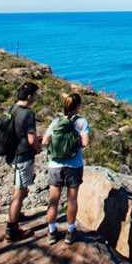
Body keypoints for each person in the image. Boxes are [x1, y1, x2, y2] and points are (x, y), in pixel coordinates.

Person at [42, 92, 91, 245]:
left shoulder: (56, 121)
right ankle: (70, 232)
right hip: (74, 165)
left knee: (53, 200)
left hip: (55, 165)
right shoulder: (82, 122)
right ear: (78, 106)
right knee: (72, 200)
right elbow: (85, 143)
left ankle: (52, 232)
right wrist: (73, 144)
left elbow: (44, 141)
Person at [6, 81, 41, 242]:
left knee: (19, 188)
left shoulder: (12, 109)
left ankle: (16, 214)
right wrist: (38, 148)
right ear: (29, 96)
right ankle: (12, 229)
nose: (36, 97)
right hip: (23, 156)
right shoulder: (28, 114)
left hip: (13, 154)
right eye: (35, 95)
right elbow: (31, 138)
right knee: (20, 192)